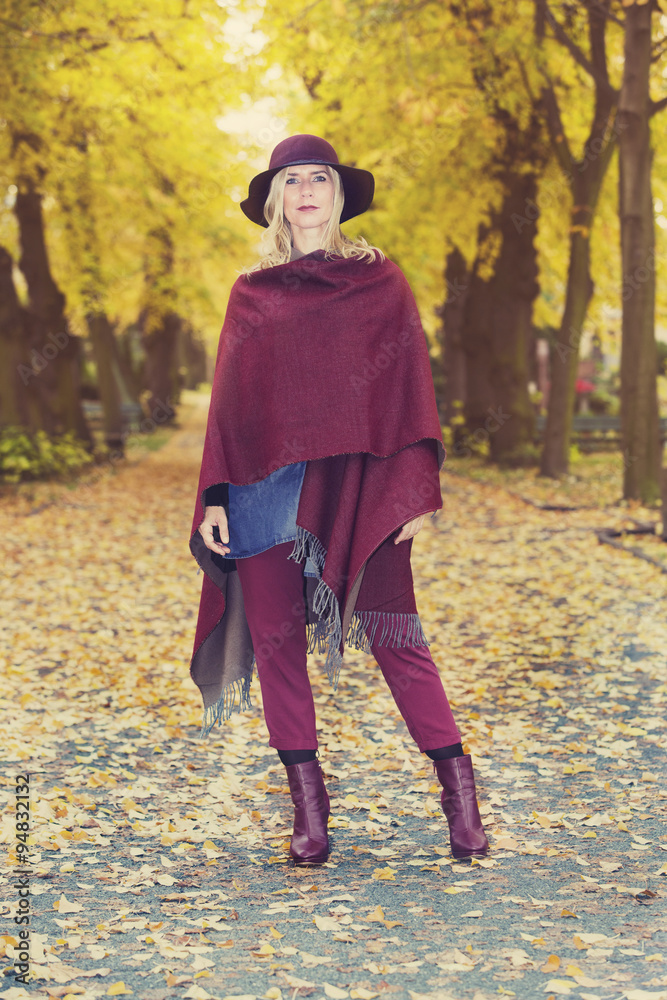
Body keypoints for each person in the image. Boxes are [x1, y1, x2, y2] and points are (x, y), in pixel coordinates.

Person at [189, 134, 488, 866]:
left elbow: (410, 385)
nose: (307, 193)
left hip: (357, 490)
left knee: (395, 636)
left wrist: (418, 486)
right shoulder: (250, 292)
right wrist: (216, 498)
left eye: (318, 179)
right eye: (292, 183)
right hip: (262, 490)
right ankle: (309, 813)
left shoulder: (378, 282)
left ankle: (460, 796)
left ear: (339, 193)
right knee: (278, 645)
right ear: (275, 202)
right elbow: (229, 404)